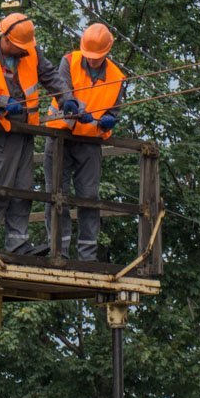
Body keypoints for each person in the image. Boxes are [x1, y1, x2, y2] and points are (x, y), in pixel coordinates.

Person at [0, 12, 79, 255]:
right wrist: (2, 102)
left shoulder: (31, 52)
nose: (24, 52)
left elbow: (51, 77)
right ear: (5, 40)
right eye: (19, 47)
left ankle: (18, 245)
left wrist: (67, 98)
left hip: (24, 132)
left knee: (23, 189)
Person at [44, 22, 126, 261]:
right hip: (61, 136)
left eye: (97, 57)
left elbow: (115, 109)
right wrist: (72, 105)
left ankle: (87, 256)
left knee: (89, 197)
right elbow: (62, 91)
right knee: (56, 195)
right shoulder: (68, 62)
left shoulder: (117, 77)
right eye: (89, 56)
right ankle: (59, 252)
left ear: (106, 53)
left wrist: (110, 119)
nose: (92, 60)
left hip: (90, 142)